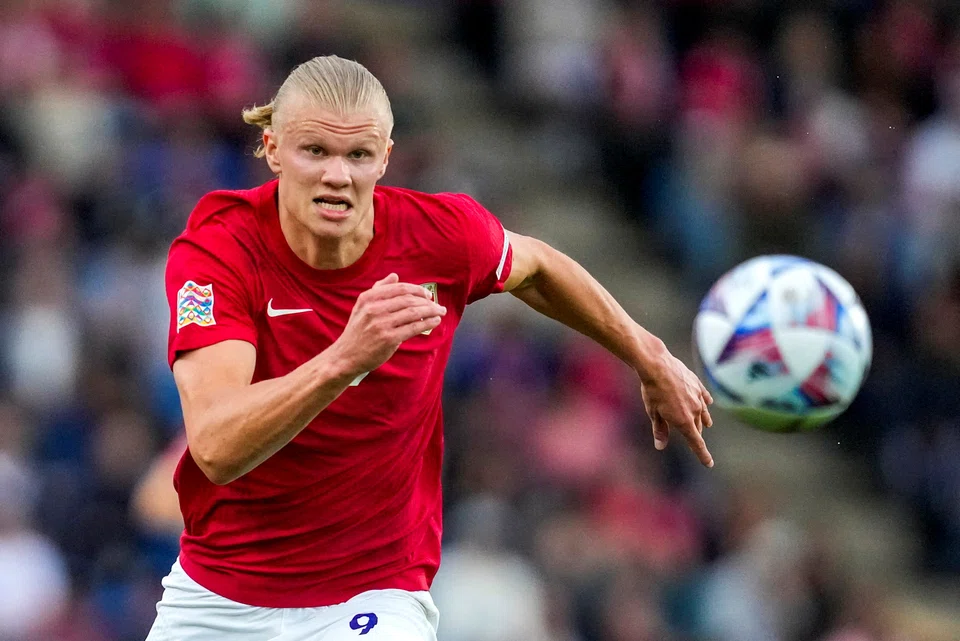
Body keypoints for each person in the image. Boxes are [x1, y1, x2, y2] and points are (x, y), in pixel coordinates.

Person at [148, 55, 714, 641]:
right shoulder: (221, 249)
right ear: (272, 149)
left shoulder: (440, 236)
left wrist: (649, 356)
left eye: (358, 155)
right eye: (314, 151)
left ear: (385, 158)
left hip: (372, 595)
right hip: (218, 594)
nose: (337, 175)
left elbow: (539, 267)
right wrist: (345, 359)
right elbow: (216, 446)